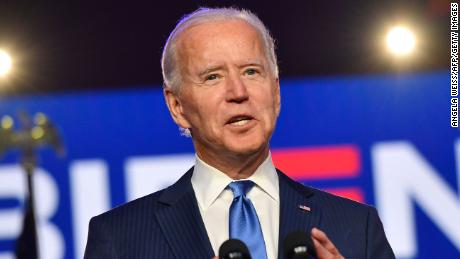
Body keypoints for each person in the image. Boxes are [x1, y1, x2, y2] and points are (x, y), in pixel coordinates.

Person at [84, 7, 395, 259]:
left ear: (276, 91)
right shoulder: (119, 239)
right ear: (177, 105)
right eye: (213, 77)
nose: (238, 92)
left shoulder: (356, 227)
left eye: (251, 71)